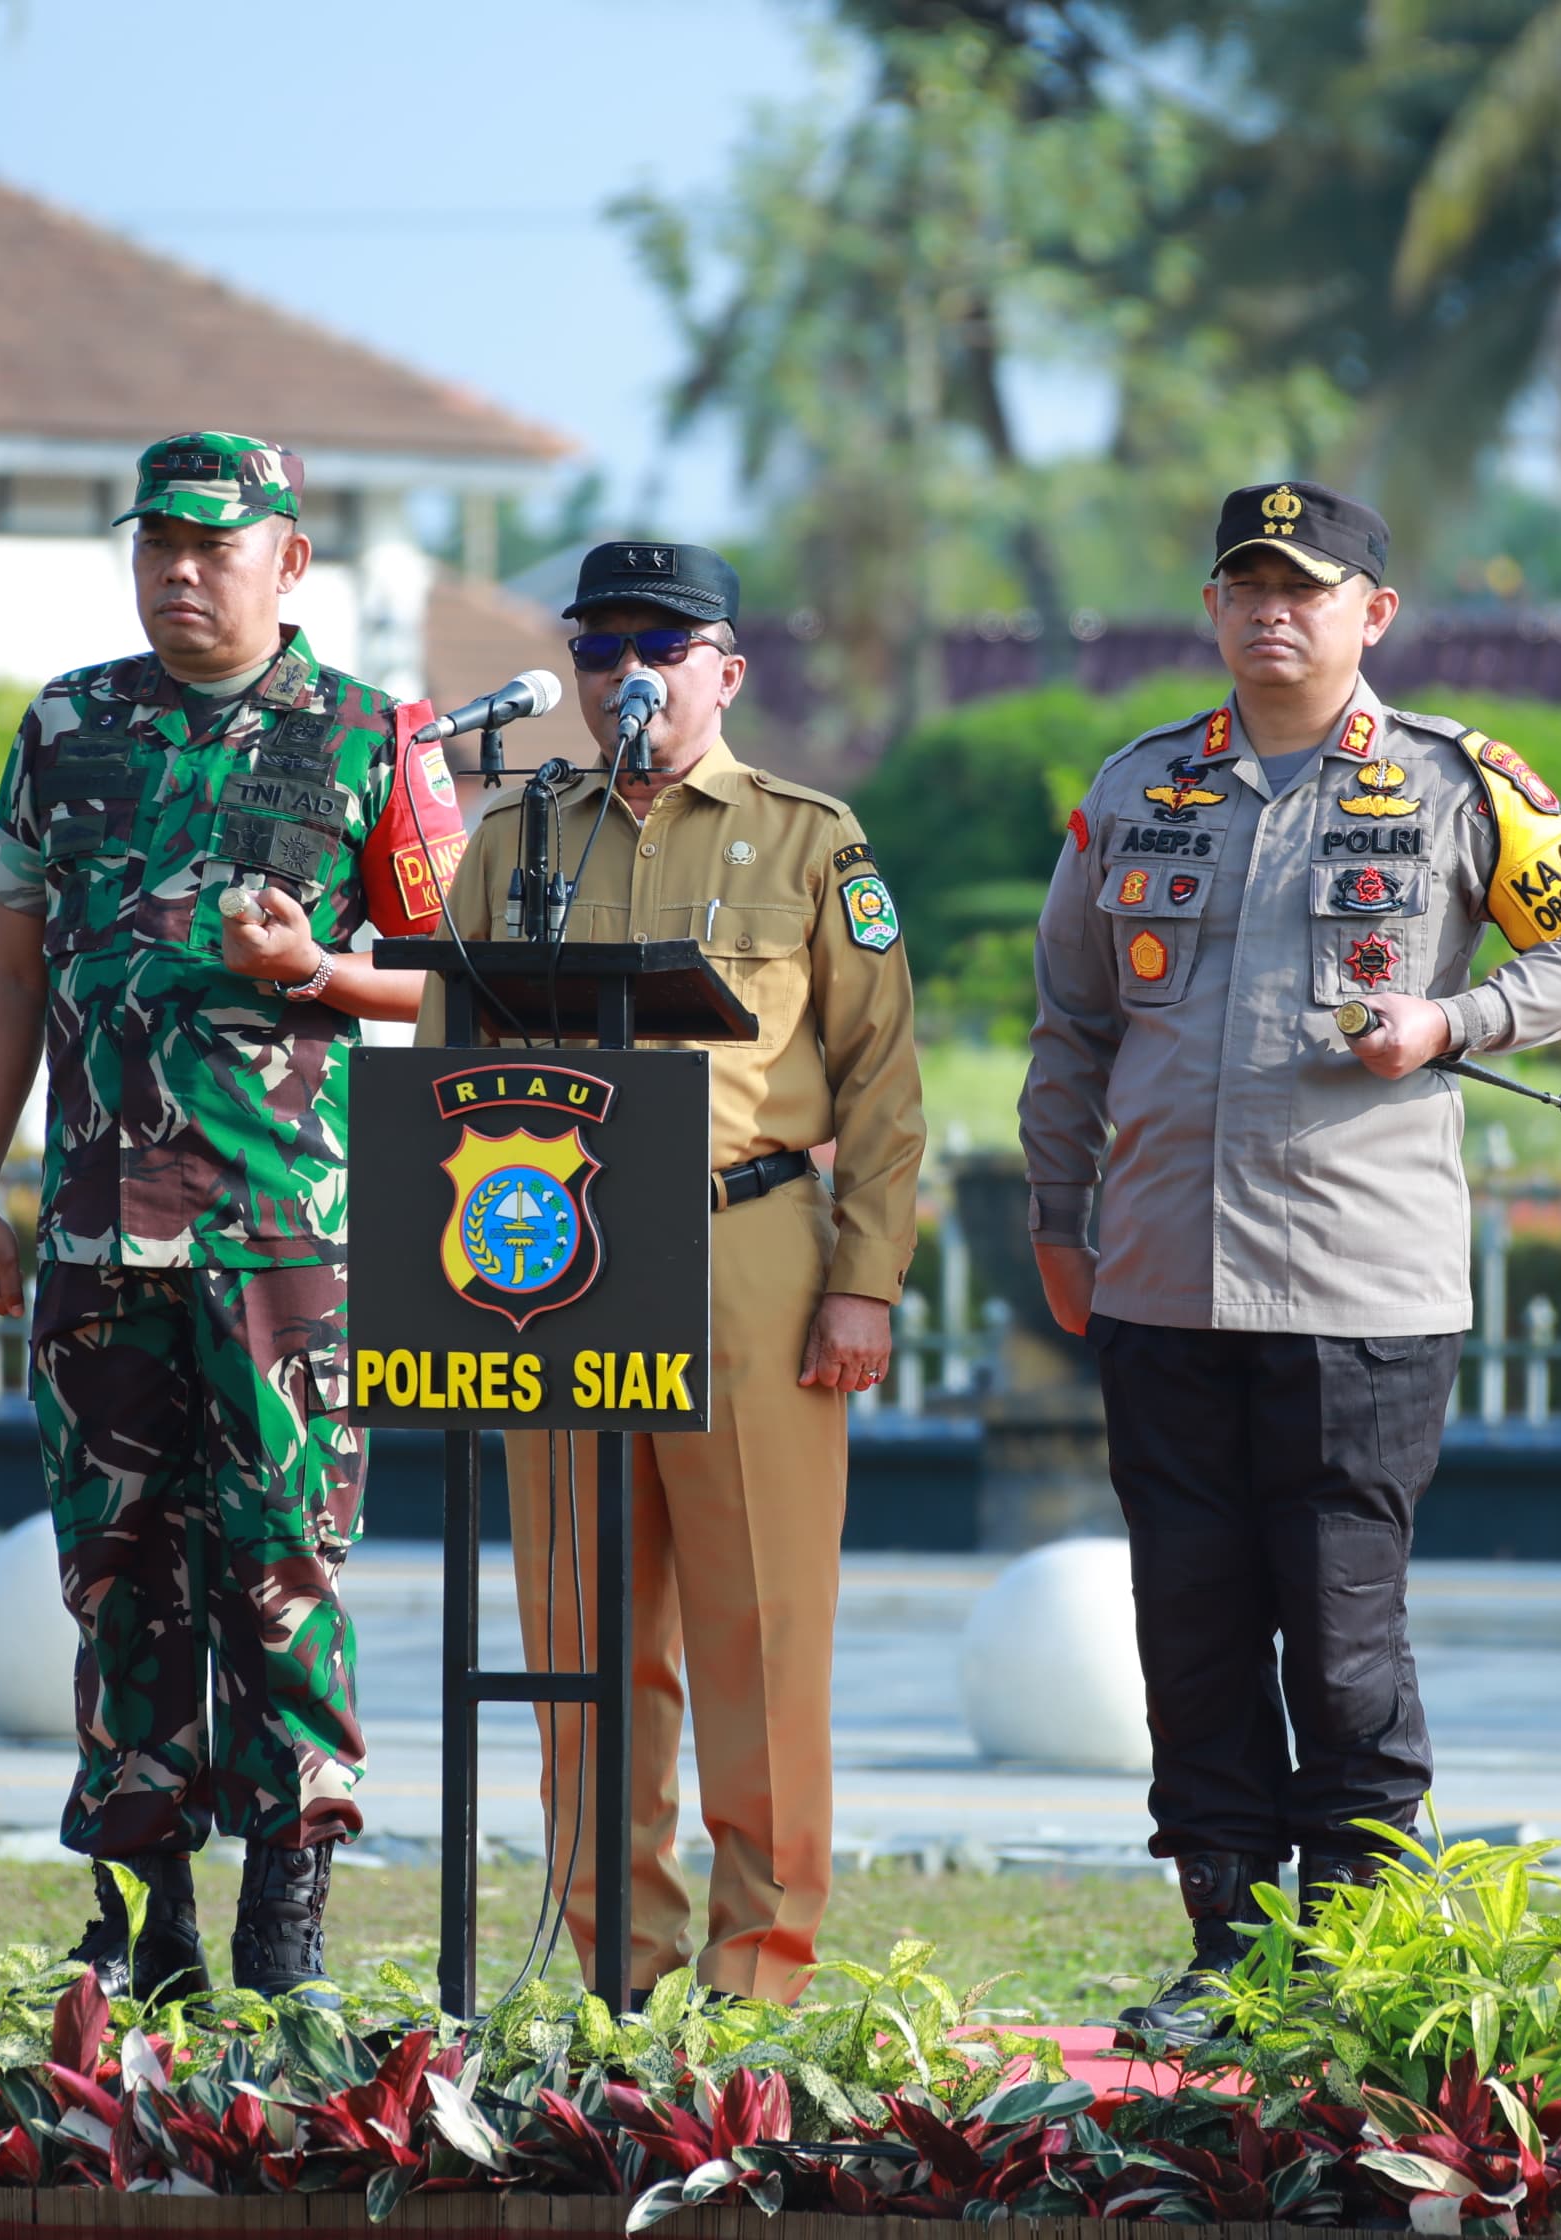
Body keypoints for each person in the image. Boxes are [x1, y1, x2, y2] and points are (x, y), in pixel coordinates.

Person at [1020, 483, 1561, 2040]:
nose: (1269, 611)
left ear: (1374, 610)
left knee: (1344, 1628)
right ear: (1215, 607)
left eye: (1305, 586)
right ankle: (1230, 1950)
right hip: (1162, 1276)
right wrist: (1053, 1211)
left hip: (1360, 1290)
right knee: (1195, 1626)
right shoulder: (1143, 785)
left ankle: (1362, 1958)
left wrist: (1454, 1020)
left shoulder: (1454, 783)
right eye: (1244, 584)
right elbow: (1074, 1023)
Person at [0, 431, 468, 2005]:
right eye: (156, 546)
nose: (179, 574)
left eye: (212, 547)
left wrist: (312, 970)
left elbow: (460, 989)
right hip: (98, 1231)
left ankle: (286, 1911)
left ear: (289, 561)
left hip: (285, 1242)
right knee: (116, 1577)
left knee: (281, 1564)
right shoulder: (69, 725)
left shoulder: (378, 736)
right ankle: (141, 1913)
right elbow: (9, 971)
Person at [418, 539, 926, 2006]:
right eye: (598, 648)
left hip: (746, 1240)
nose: (624, 674)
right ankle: (617, 1974)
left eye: (661, 645)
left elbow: (884, 1083)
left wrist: (864, 1281)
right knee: (580, 1634)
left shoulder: (808, 836)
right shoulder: (519, 842)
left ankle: (756, 1977)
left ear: (726, 670)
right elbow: (450, 1048)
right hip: (546, 1254)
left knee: (760, 1629)